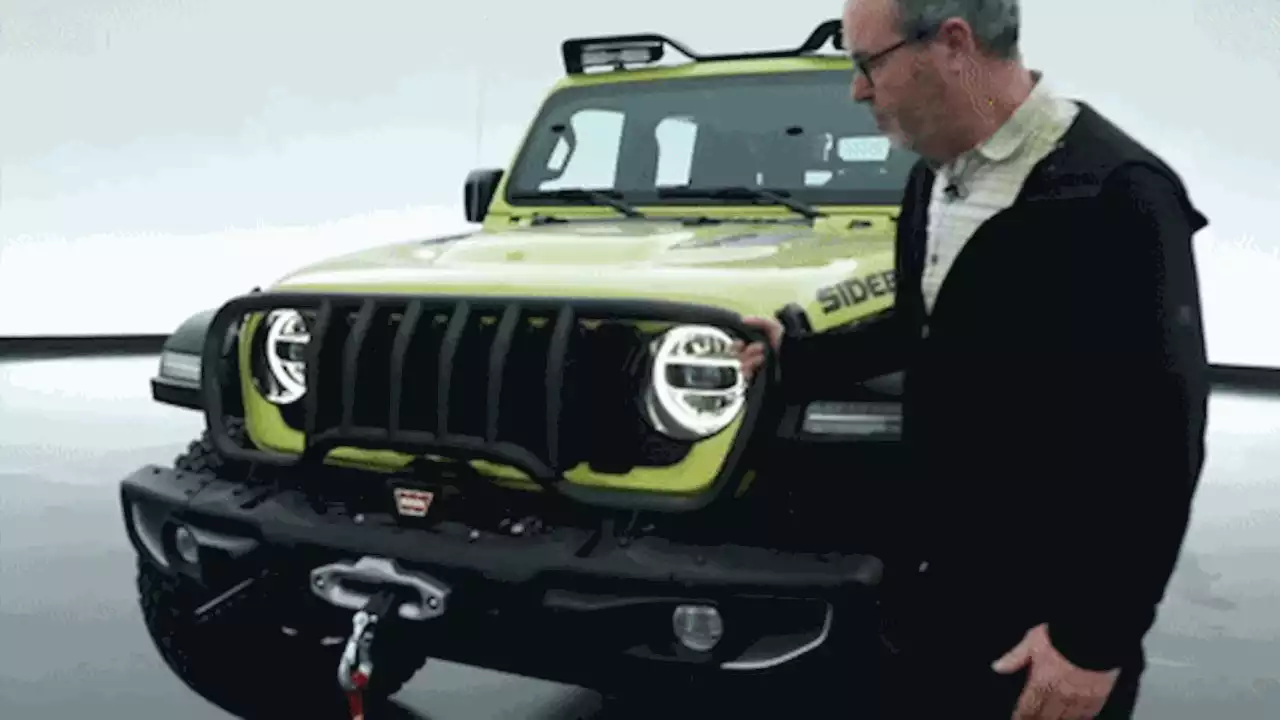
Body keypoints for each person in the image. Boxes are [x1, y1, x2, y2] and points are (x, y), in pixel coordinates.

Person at [735, 0, 1211, 717]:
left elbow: (1161, 442)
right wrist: (794, 355)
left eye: (867, 64)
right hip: (944, 587)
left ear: (952, 44)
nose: (856, 90)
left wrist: (1095, 640)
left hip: (1044, 625)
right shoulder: (936, 177)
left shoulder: (1117, 196)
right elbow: (924, 325)